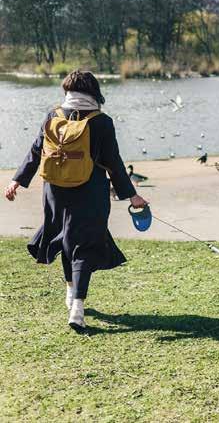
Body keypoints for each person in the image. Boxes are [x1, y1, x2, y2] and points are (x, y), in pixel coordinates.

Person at [4, 70, 148, 330]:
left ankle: (71, 293)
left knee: (66, 239)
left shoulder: (53, 115)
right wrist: (132, 195)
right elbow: (113, 163)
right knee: (84, 244)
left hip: (54, 191)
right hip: (90, 191)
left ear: (67, 90)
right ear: (94, 92)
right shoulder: (101, 121)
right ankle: (77, 308)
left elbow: (36, 150)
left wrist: (17, 180)